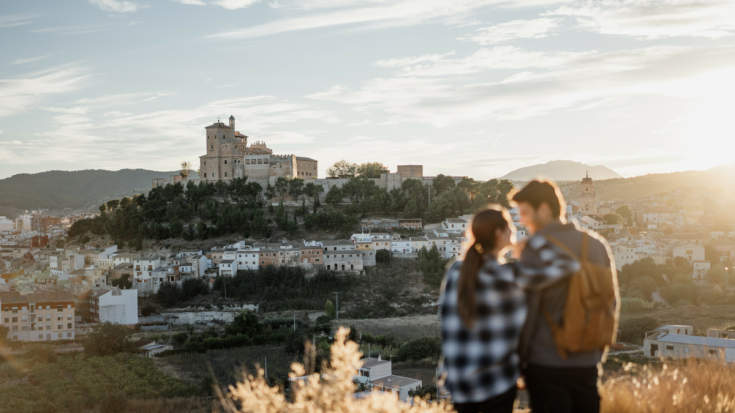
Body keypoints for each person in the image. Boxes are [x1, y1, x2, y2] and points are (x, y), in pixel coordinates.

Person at [439, 205, 579, 413]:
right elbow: (568, 264)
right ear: (499, 234)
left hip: (460, 384)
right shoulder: (510, 275)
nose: (515, 230)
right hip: (496, 383)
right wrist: (534, 240)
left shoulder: (455, 271)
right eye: (511, 227)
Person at [512, 180, 617, 413]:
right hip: (588, 361)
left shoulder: (536, 248)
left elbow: (526, 312)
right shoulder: (597, 245)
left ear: (544, 210)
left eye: (525, 212)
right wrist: (597, 352)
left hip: (547, 362)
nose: (522, 220)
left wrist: (519, 360)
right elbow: (611, 303)